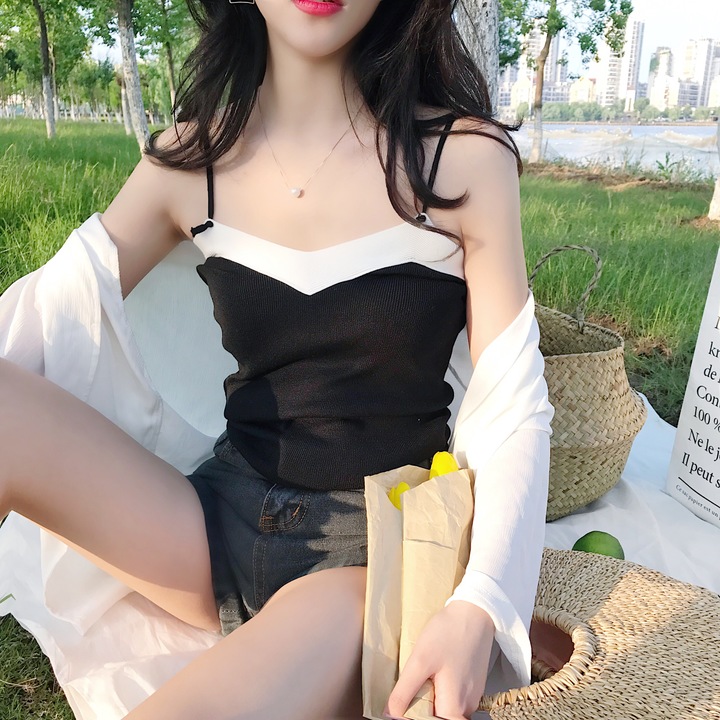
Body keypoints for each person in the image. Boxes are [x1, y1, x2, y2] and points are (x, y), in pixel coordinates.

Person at [0, 1, 553, 718]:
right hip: (212, 527)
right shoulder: (192, 160)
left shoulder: (461, 159)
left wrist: (480, 604)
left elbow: (512, 405)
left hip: (366, 558)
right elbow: (50, 315)